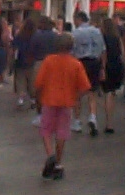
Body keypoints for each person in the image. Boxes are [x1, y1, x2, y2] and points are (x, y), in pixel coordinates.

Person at [33, 32, 91, 180]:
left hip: (49, 99)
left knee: (46, 129)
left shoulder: (49, 60)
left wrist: (37, 96)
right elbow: (85, 87)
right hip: (66, 102)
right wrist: (76, 97)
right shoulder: (76, 64)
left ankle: (50, 154)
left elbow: (39, 82)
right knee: (62, 132)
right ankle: (58, 162)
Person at [70, 11, 105, 135]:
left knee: (77, 93)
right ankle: (93, 117)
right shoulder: (96, 31)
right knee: (92, 92)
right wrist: (102, 68)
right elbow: (102, 50)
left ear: (78, 19)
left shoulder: (75, 33)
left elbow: (72, 51)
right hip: (94, 63)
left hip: (80, 63)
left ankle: (77, 121)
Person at [99, 16, 125, 134]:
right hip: (117, 66)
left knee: (108, 93)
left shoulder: (102, 38)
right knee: (112, 93)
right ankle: (110, 121)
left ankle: (109, 122)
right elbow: (123, 54)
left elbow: (102, 53)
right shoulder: (117, 38)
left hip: (107, 66)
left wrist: (102, 68)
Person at [12, 16, 36, 108]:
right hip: (31, 61)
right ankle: (33, 100)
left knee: (20, 80)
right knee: (31, 81)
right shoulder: (35, 36)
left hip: (20, 60)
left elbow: (14, 48)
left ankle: (21, 99)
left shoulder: (19, 36)